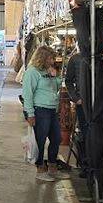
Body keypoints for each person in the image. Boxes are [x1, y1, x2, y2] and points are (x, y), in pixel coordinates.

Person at [22, 45, 63, 182]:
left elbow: (56, 88)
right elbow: (27, 94)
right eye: (50, 58)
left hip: (52, 110)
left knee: (56, 138)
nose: (53, 61)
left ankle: (52, 165)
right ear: (43, 58)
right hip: (40, 110)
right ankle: (40, 168)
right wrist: (30, 113)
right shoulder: (32, 72)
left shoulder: (48, 70)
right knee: (40, 140)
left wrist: (55, 77)